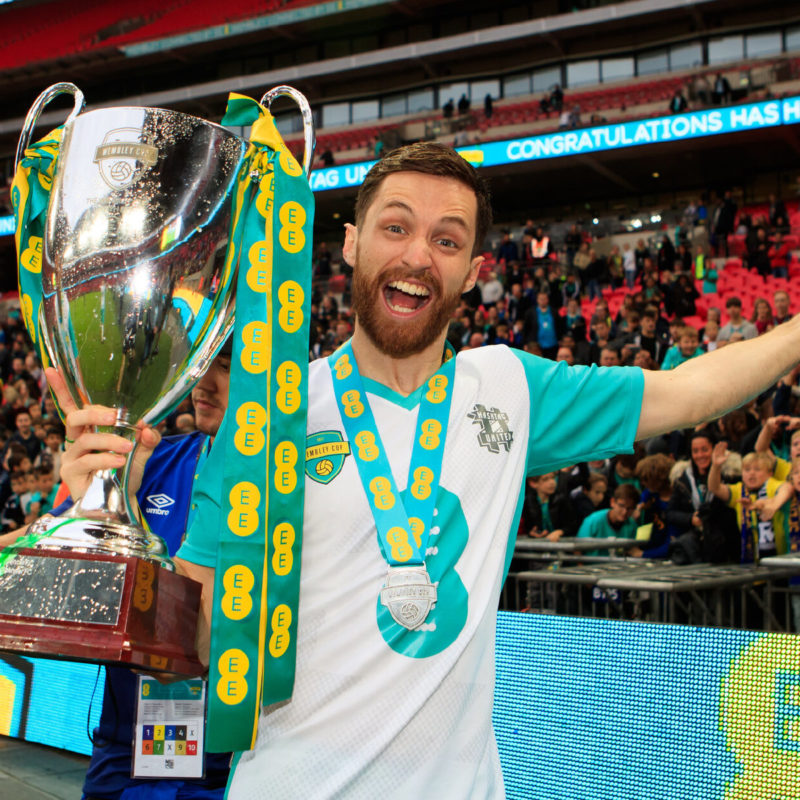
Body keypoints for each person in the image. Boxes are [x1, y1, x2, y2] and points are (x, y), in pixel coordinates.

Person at [64, 142, 800, 799]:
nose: (418, 254)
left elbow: (685, 391)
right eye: (396, 226)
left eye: (446, 240)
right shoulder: (274, 409)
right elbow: (194, 646)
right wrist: (110, 515)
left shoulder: (511, 389)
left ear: (474, 272)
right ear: (351, 245)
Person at [44, 349, 234, 800]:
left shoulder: (296, 488)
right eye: (204, 362)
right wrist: (97, 508)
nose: (204, 383)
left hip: (236, 761)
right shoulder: (144, 461)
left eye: (226, 366)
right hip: (125, 752)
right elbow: (59, 586)